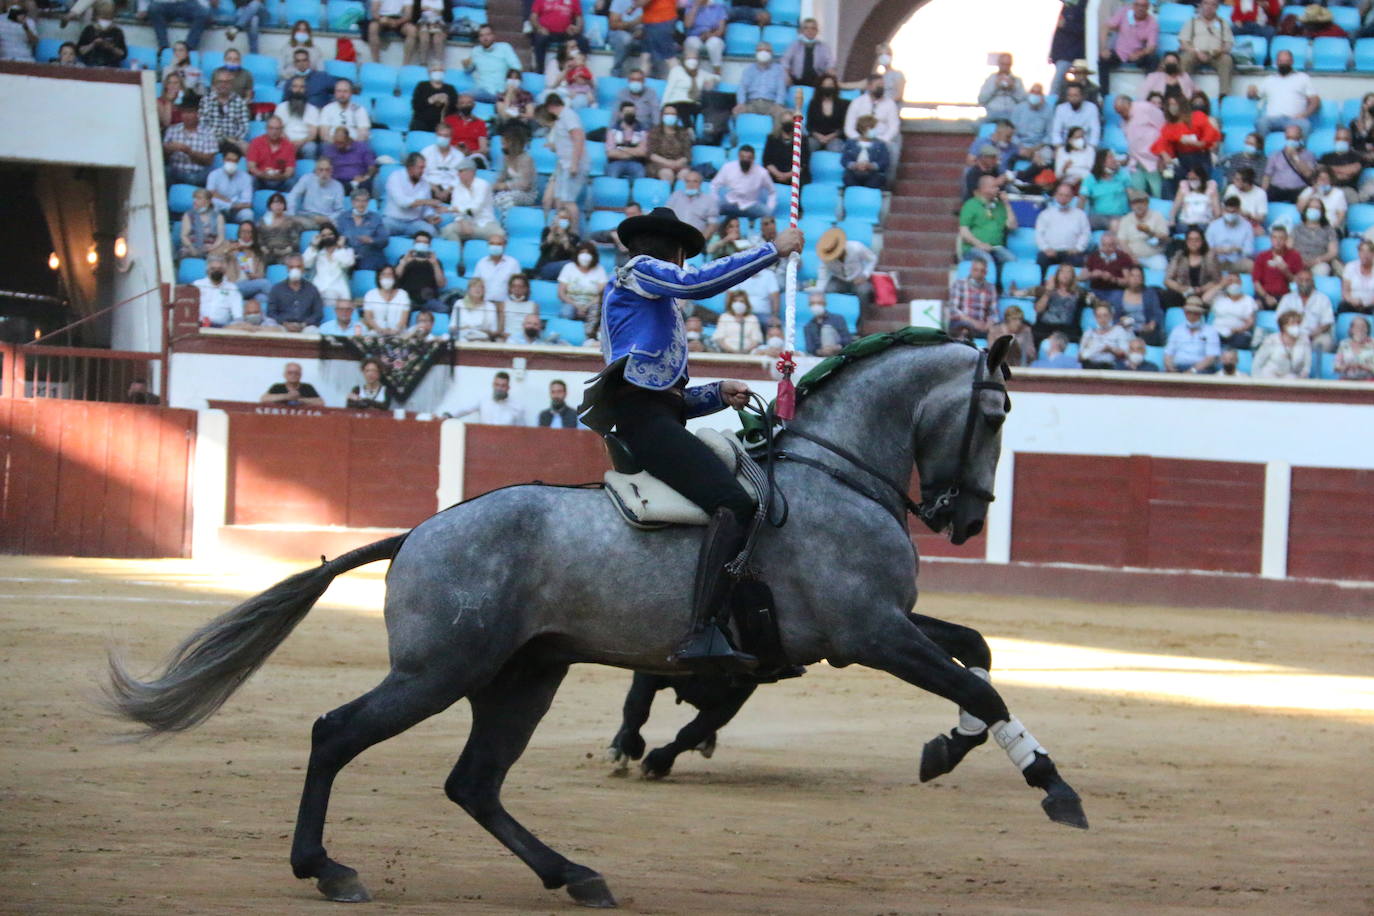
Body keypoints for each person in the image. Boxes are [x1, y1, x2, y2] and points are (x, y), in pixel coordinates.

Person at [575, 205, 804, 670]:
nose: (680, 264)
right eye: (681, 255)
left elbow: (669, 398)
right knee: (735, 503)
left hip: (653, 419)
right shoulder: (638, 273)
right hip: (644, 424)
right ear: (674, 250)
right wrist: (771, 252)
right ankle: (700, 631)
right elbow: (693, 282)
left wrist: (718, 393)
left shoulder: (655, 307)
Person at [958, 175, 1016, 286]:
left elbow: (1012, 226)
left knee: (1011, 260)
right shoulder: (970, 205)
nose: (998, 189)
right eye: (994, 187)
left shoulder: (999, 206)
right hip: (973, 248)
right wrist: (979, 244)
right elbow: (964, 232)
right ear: (984, 189)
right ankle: (987, 290)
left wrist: (1007, 204)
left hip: (995, 247)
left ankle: (1004, 290)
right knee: (987, 261)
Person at [843, 74, 902, 183]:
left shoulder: (890, 104)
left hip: (882, 140)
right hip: (859, 140)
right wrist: (860, 139)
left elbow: (894, 126)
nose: (881, 88)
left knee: (893, 150)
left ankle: (887, 184)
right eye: (878, 85)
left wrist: (882, 140)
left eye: (882, 85)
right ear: (869, 87)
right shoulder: (857, 102)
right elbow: (848, 127)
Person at [1249, 49, 1319, 137]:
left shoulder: (1303, 78)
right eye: (1281, 61)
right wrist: (1251, 90)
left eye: (1286, 61)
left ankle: (1300, 150)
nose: (1283, 64)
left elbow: (1315, 101)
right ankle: (1261, 149)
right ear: (1276, 62)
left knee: (1306, 125)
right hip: (1272, 119)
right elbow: (1255, 95)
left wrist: (1304, 115)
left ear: (1292, 62)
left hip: (1294, 119)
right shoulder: (1269, 80)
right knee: (1261, 123)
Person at [1098, 0, 1160, 95]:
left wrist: (1139, 54)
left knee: (1153, 58)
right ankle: (1103, 95)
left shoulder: (1152, 22)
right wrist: (1103, 48)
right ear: (1133, 6)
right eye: (1137, 5)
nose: (1140, 8)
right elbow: (1105, 27)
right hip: (1119, 53)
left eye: (1143, 6)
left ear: (1147, 8)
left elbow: (1151, 46)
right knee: (1103, 58)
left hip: (1137, 56)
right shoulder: (1124, 12)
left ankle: (1149, 94)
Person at [542, 94, 587, 221]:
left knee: (568, 202)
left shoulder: (568, 115)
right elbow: (567, 143)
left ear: (550, 107)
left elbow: (578, 138)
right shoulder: (561, 119)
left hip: (572, 164)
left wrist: (574, 164)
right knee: (560, 201)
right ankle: (562, 233)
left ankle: (573, 234)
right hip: (563, 164)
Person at [1178, 0, 1234, 96]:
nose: (1209, 7)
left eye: (1213, 5)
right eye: (1206, 3)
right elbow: (1183, 42)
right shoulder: (1192, 22)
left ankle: (1224, 95)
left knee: (1227, 60)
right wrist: (1196, 51)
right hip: (1196, 53)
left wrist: (1221, 50)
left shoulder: (1223, 23)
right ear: (1201, 5)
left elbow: (1228, 44)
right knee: (1185, 59)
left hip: (1216, 54)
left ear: (1217, 8)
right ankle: (1183, 93)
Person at [1031, 263, 1096, 345]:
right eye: (1062, 272)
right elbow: (1038, 309)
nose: (1065, 275)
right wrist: (1048, 292)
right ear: (1057, 275)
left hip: (1067, 330)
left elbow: (1094, 302)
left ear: (1073, 276)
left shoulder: (1080, 292)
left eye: (1068, 272)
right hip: (1045, 328)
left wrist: (1092, 298)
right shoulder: (1045, 289)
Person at [1034, 182, 1091, 276]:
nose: (1063, 198)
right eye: (1060, 195)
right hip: (1050, 252)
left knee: (1080, 260)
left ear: (1072, 197)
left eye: (1067, 195)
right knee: (1041, 259)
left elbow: (1085, 234)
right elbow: (1039, 234)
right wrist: (1046, 248)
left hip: (1071, 252)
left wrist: (1078, 248)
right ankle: (1043, 287)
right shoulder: (1046, 214)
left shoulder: (1080, 214)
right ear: (1055, 195)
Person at [1276, 268, 1336, 353]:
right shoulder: (1287, 298)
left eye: (1307, 280)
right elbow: (1280, 319)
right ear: (1296, 282)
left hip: (1313, 336)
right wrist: (1291, 335)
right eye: (1301, 280)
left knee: (1326, 342)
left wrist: (1310, 336)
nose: (1304, 283)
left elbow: (1327, 323)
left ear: (1312, 282)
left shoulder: (1323, 299)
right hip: (1291, 335)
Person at [384, 153, 444, 236]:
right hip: (393, 221)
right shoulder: (395, 177)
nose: (423, 171)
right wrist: (426, 201)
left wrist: (430, 217)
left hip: (414, 223)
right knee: (380, 229)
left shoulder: (424, 183)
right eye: (421, 168)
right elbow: (402, 202)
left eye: (424, 167)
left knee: (431, 231)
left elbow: (426, 209)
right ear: (410, 167)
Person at [440, 157, 499, 242]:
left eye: (461, 171)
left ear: (471, 172)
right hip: (465, 223)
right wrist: (461, 221)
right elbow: (455, 209)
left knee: (500, 235)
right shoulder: (457, 188)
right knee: (447, 231)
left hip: (485, 223)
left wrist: (452, 210)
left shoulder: (483, 185)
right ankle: (459, 252)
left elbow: (475, 209)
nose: (458, 174)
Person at [1104, 264, 1164, 345]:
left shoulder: (1150, 294)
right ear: (1128, 278)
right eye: (1132, 276)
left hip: (1145, 330)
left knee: (1152, 336)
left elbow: (1157, 312)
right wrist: (1119, 322)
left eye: (1138, 276)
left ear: (1142, 279)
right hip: (1125, 330)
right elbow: (1113, 316)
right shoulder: (1117, 295)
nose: (1135, 279)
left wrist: (1152, 324)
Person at [816, 228, 877, 307]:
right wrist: (819, 291)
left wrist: (865, 275)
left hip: (857, 278)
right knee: (829, 291)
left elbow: (872, 259)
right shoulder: (826, 258)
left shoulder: (856, 247)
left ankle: (863, 318)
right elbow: (823, 275)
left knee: (864, 291)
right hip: (839, 279)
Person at [1165, 227, 1224, 309]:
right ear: (1186, 241)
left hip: (1204, 292)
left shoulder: (1210, 256)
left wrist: (1200, 289)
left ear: (1202, 241)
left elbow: (1217, 280)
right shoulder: (1179, 256)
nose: (1193, 243)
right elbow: (1168, 280)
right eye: (1190, 240)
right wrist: (1181, 288)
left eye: (1197, 240)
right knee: (1167, 295)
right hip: (1184, 292)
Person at [712, 145, 776, 221]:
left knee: (767, 214)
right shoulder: (728, 167)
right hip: (729, 203)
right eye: (743, 157)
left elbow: (772, 191)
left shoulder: (762, 172)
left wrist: (770, 207)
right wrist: (715, 199)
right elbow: (714, 184)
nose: (745, 160)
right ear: (739, 156)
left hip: (751, 205)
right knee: (711, 209)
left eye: (749, 158)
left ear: (754, 158)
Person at [1120, 92, 1165, 197]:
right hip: (1135, 161)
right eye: (1119, 112)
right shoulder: (1123, 119)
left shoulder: (1146, 109)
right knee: (1138, 194)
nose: (1121, 113)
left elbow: (1163, 131)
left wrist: (1162, 156)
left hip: (1153, 159)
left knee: (1157, 192)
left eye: (1123, 110)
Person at [557, 242, 608, 337]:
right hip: (571, 302)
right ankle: (568, 335)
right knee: (566, 312)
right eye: (582, 252)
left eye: (588, 253)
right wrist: (577, 306)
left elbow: (602, 294)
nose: (585, 256)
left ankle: (590, 337)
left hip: (592, 304)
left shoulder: (600, 270)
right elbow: (561, 293)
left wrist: (586, 306)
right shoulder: (568, 268)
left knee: (597, 312)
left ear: (593, 256)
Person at [265, 253, 324, 331]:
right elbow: (271, 312)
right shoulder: (277, 289)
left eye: (298, 267)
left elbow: (318, 313)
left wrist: (304, 324)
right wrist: (284, 323)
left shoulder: (312, 289)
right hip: (283, 325)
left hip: (305, 326)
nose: (295, 270)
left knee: (312, 331)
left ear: (303, 268)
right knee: (273, 329)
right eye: (291, 267)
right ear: (287, 269)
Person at [463, 25, 522, 102]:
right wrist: (466, 65)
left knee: (464, 97)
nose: (485, 38)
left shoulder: (504, 47)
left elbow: (517, 67)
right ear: (478, 38)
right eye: (481, 35)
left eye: (488, 34)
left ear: (493, 36)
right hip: (481, 90)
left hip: (499, 92)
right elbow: (468, 71)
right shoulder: (475, 51)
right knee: (460, 97)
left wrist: (510, 89)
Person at [301, 222, 354, 305]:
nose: (327, 237)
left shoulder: (346, 250)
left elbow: (348, 263)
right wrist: (314, 245)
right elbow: (305, 263)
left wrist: (340, 248)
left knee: (330, 294)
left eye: (330, 234)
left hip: (339, 290)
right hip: (318, 289)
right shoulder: (317, 252)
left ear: (336, 235)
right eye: (324, 235)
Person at [1163, 297, 1221, 373]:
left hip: (1200, 369)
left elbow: (1211, 357)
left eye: (1195, 313)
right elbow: (1168, 353)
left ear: (1201, 314)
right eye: (1189, 312)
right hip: (1178, 367)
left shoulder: (1210, 332)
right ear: (1185, 313)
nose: (1192, 315)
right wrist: (1170, 366)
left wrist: (1193, 370)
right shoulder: (1177, 330)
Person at [1117, 189, 1170, 272]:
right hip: (1132, 256)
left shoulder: (1157, 216)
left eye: (1141, 202)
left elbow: (1165, 239)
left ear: (1147, 203)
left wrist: (1150, 232)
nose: (1139, 206)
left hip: (1153, 255)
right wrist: (1131, 256)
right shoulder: (1126, 219)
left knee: (1163, 267)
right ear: (1131, 205)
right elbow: (1122, 242)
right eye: (1135, 203)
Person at [336, 188, 389, 271]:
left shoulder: (375, 217)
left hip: (370, 256)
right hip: (349, 257)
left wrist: (371, 240)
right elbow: (337, 238)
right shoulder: (342, 218)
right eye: (358, 200)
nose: (361, 204)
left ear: (368, 202)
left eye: (364, 201)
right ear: (352, 202)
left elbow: (384, 240)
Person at [529, 0, 589, 73]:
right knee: (539, 39)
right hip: (547, 32)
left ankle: (582, 70)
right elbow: (533, 16)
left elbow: (579, 17)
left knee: (583, 41)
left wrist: (577, 28)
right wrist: (539, 28)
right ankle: (540, 70)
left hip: (566, 32)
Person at [444, 371, 525, 425]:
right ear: (493, 385)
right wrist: (447, 417)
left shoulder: (517, 407)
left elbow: (521, 430)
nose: (499, 389)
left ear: (508, 388)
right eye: (497, 385)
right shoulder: (483, 400)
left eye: (503, 386)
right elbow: (465, 410)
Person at [163, 105, 217, 186]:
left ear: (198, 114)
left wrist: (189, 151)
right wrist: (169, 150)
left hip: (199, 173)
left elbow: (209, 160)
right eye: (184, 112)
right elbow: (162, 156)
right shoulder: (172, 130)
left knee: (210, 173)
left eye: (190, 112)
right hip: (176, 171)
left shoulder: (208, 132)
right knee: (165, 170)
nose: (186, 116)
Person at [1252, 225, 1304, 309]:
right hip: (1265, 294)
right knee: (1254, 306)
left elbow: (1299, 281)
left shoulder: (1295, 256)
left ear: (1286, 239)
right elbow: (1256, 282)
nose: (1278, 241)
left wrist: (1286, 271)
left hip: (1286, 296)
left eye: (1281, 238)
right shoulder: (1262, 256)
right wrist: (1266, 297)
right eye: (1275, 238)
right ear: (1270, 239)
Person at [199, 70, 251, 153]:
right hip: (210, 140)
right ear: (215, 83)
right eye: (220, 81)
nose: (223, 85)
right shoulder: (206, 100)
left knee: (248, 148)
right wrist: (220, 138)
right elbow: (202, 124)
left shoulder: (240, 102)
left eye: (227, 82)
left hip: (233, 140)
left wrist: (234, 139)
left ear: (232, 84)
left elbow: (244, 127)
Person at [1263, 125, 1317, 205]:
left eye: (1294, 138)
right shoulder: (1275, 155)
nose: (1291, 141)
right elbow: (1267, 176)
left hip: (1298, 190)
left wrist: (1295, 156)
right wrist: (1263, 193)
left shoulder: (1309, 155)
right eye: (1289, 138)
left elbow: (1308, 174)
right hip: (1278, 189)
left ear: (1300, 137)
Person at [946, 258, 998, 340]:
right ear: (971, 270)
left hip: (982, 325)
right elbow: (953, 310)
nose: (978, 273)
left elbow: (994, 313)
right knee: (964, 329)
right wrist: (973, 323)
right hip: (963, 322)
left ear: (985, 273)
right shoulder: (959, 284)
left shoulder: (991, 288)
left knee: (996, 332)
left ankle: (991, 352)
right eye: (976, 270)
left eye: (982, 271)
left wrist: (988, 324)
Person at [492, 125, 537, 218]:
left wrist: (505, 185)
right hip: (511, 191)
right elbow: (502, 176)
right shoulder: (506, 158)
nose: (502, 146)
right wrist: (495, 185)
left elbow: (525, 185)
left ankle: (506, 224)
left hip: (526, 194)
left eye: (504, 144)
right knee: (492, 198)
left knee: (504, 199)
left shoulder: (526, 159)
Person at [735, 41, 789, 119]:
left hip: (771, 103)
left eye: (767, 51)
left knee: (783, 116)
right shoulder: (749, 69)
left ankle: (774, 132)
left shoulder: (779, 69)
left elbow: (781, 90)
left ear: (772, 53)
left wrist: (778, 104)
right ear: (756, 53)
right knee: (736, 112)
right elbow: (742, 88)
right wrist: (741, 103)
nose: (763, 53)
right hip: (752, 103)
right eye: (760, 50)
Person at [662, 52, 717, 128]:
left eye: (694, 58)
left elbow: (716, 77)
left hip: (693, 103)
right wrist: (663, 105)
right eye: (689, 58)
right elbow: (669, 89)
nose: (692, 61)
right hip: (676, 102)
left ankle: (707, 132)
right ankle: (689, 129)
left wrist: (712, 80)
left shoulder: (701, 73)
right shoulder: (677, 71)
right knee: (683, 107)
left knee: (708, 108)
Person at [287, 158, 345, 229]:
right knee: (288, 222)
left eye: (327, 170)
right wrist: (291, 214)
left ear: (331, 171)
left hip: (326, 219)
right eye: (321, 170)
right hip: (307, 216)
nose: (324, 173)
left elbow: (340, 210)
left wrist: (328, 218)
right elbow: (293, 195)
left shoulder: (337, 186)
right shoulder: (307, 179)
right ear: (316, 171)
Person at [1252, 309, 1311, 379]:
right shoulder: (1271, 340)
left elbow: (1307, 365)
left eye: (1298, 323)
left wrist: (1302, 377)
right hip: (1269, 375)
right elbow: (1258, 361)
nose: (1296, 326)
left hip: (1290, 377)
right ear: (1284, 326)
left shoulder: (1304, 340)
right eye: (1292, 323)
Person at [1078, 149, 1129, 229]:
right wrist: (1078, 218)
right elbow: (1082, 199)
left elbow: (1131, 193)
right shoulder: (1090, 179)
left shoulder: (1122, 175)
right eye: (1110, 157)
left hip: (1118, 216)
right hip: (1097, 217)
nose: (1114, 159)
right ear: (1101, 161)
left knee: (1116, 225)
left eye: (1114, 157)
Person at [224, 220, 272, 305]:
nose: (245, 235)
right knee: (265, 283)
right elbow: (217, 259)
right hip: (234, 285)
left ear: (253, 234)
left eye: (249, 232)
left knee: (262, 298)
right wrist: (229, 250)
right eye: (243, 231)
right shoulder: (230, 247)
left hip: (251, 286)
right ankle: (281, 302)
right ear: (239, 233)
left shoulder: (258, 253)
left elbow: (261, 274)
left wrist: (255, 276)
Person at [1291, 198, 1341, 277]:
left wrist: (1316, 261)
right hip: (1299, 262)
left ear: (1322, 211)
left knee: (1323, 270)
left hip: (1319, 263)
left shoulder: (1328, 229)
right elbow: (1289, 247)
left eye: (1317, 208)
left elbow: (1333, 252)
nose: (1314, 210)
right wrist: (1300, 260)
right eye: (1311, 208)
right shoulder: (1297, 228)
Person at [275, 75, 322, 159]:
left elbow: (313, 133)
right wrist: (289, 142)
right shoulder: (281, 107)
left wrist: (301, 142)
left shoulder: (312, 109)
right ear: (290, 89)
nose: (298, 90)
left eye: (301, 87)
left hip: (305, 142)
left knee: (311, 148)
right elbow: (278, 129)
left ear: (306, 90)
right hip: (285, 140)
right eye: (295, 87)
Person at [245, 116, 297, 191]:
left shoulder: (289, 146)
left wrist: (281, 176)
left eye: (277, 129)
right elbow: (251, 167)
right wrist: (262, 174)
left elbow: (290, 171)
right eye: (271, 128)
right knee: (250, 180)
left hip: (280, 179)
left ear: (282, 130)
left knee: (291, 182)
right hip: (261, 179)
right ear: (266, 129)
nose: (274, 131)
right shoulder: (256, 142)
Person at [1206, 197, 1256, 274]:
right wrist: (1218, 250)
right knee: (1208, 259)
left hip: (1236, 260)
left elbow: (1249, 251)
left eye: (1233, 212)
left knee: (1251, 265)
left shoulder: (1246, 226)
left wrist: (1238, 249)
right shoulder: (1213, 225)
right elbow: (1206, 247)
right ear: (1223, 210)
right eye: (1227, 211)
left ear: (1239, 210)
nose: (1230, 214)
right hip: (1218, 260)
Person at [780, 18, 834, 88]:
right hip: (797, 81)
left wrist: (830, 71)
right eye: (806, 28)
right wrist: (786, 75)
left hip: (817, 82)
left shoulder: (823, 47)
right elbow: (785, 61)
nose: (809, 31)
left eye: (813, 28)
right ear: (802, 31)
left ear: (817, 31)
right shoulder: (794, 45)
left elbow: (830, 63)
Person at [648, 103, 695, 184]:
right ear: (662, 116)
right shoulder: (655, 132)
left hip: (680, 164)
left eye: (673, 114)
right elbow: (651, 154)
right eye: (667, 114)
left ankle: (679, 195)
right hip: (660, 164)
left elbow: (687, 155)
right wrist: (668, 163)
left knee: (684, 174)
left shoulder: (683, 132)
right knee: (667, 174)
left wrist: (678, 163)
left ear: (677, 117)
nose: (670, 116)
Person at [665, 170, 720, 238]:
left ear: (700, 183)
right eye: (688, 181)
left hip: (695, 239)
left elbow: (712, 224)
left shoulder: (709, 200)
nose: (691, 184)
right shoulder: (676, 196)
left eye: (695, 181)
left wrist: (700, 241)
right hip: (674, 237)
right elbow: (666, 216)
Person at [194, 255, 245, 327]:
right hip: (199, 325)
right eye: (213, 269)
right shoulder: (197, 285)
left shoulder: (232, 288)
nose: (216, 271)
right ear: (207, 270)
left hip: (221, 327)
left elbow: (237, 314)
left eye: (219, 269)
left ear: (224, 271)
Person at [840, 115, 889, 190]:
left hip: (873, 173)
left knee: (875, 180)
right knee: (848, 178)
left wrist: (871, 166)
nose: (875, 131)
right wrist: (855, 165)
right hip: (854, 172)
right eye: (873, 128)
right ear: (864, 129)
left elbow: (884, 161)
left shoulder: (880, 145)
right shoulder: (850, 143)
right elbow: (844, 160)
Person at [205, 149, 254, 224]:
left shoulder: (246, 177)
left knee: (248, 213)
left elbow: (247, 203)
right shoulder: (214, 175)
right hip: (220, 209)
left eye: (234, 160)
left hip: (237, 211)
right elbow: (210, 195)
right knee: (212, 205)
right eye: (228, 160)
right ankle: (213, 234)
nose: (231, 163)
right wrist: (230, 204)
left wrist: (224, 201)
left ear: (238, 162)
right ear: (223, 159)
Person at [1078, 303, 1133, 369]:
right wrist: (1092, 350)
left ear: (1111, 316)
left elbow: (1125, 354)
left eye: (1105, 315)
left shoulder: (1119, 331)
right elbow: (1080, 357)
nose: (1102, 319)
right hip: (1090, 366)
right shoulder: (1088, 333)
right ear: (1095, 318)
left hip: (1111, 367)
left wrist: (1110, 349)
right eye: (1099, 316)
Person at [443, 93, 491, 167]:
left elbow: (484, 149)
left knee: (478, 159)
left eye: (469, 103)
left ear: (474, 105)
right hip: (453, 153)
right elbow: (444, 142)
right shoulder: (449, 120)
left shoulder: (480, 123)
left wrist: (469, 152)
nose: (465, 106)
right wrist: (457, 149)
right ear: (457, 106)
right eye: (462, 103)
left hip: (473, 155)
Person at [1211, 275, 1259, 349]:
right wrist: (1221, 285)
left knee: (1242, 341)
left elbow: (1250, 322)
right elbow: (1204, 299)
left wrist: (1236, 330)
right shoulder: (1219, 297)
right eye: (1230, 281)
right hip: (1217, 331)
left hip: (1237, 333)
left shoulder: (1248, 300)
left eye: (1236, 281)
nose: (1233, 283)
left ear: (1240, 283)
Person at [1049, 83, 1101, 151]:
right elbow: (1056, 131)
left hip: (1086, 145)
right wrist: (1059, 148)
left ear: (1082, 96)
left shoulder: (1091, 108)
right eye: (1070, 95)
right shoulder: (1060, 109)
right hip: (1065, 146)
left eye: (1076, 95)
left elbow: (1095, 130)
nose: (1073, 98)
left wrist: (1091, 147)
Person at [472, 230, 520, 305]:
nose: (495, 246)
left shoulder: (513, 263)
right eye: (492, 244)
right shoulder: (481, 263)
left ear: (504, 245)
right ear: (488, 245)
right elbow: (474, 284)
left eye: (499, 244)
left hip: (505, 305)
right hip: (485, 305)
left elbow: (518, 286)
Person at [605, 102, 650, 180]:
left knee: (640, 174)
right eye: (627, 112)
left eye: (632, 112)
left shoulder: (643, 130)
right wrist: (635, 152)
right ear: (621, 114)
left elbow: (643, 153)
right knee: (612, 175)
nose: (630, 114)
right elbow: (611, 153)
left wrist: (622, 149)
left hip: (636, 163)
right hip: (616, 162)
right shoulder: (612, 130)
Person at [1296, 167, 1348, 233]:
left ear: (1331, 180)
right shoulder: (1308, 190)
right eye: (1320, 178)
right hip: (1309, 227)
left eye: (1326, 178)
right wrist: (1312, 191)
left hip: (1329, 227)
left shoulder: (1338, 193)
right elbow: (1299, 208)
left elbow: (1341, 215)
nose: (1323, 181)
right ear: (1316, 179)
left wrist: (1332, 228)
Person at [147, 0, 211, 53]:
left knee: (203, 13)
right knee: (153, 8)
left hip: (188, 4)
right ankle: (164, 47)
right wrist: (142, 9)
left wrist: (206, 8)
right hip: (164, 3)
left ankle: (188, 48)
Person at [367, 0, 418, 67]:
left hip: (400, 19)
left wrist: (396, 22)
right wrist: (383, 20)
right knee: (373, 27)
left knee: (412, 30)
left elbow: (408, 15)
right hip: (382, 18)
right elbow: (374, 12)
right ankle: (376, 63)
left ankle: (406, 65)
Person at [806, 74, 849, 153]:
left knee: (836, 148)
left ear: (835, 87)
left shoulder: (843, 104)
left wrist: (830, 137)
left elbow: (844, 127)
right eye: (824, 85)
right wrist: (818, 136)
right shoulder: (813, 104)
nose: (827, 87)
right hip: (816, 137)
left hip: (835, 137)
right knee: (808, 146)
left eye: (830, 85)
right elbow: (809, 125)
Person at [536, 204, 580, 280]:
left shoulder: (574, 237)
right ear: (556, 218)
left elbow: (573, 255)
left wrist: (564, 237)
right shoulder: (547, 231)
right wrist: (552, 235)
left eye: (566, 219)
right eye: (560, 218)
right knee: (569, 264)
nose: (563, 221)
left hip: (564, 269)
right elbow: (542, 249)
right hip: (545, 267)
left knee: (572, 264)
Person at [977, 53, 1025, 124]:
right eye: (1003, 64)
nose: (1005, 67)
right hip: (993, 115)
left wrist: (1013, 88)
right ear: (999, 64)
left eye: (1007, 64)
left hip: (1012, 117)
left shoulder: (1017, 80)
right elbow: (981, 100)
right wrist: (995, 87)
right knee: (977, 125)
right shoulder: (991, 79)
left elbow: (1023, 101)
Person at [179, 188, 225, 259]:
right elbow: (183, 236)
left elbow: (221, 238)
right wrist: (192, 248)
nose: (195, 201)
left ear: (208, 201)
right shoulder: (188, 215)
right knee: (185, 253)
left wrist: (212, 248)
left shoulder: (218, 216)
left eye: (199, 198)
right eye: (194, 198)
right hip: (192, 246)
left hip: (211, 248)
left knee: (218, 257)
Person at [257, 192, 302, 265]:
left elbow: (295, 240)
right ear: (270, 205)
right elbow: (259, 238)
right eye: (275, 203)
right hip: (267, 253)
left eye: (281, 203)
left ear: (284, 206)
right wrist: (262, 247)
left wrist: (286, 250)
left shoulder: (290, 221)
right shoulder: (263, 221)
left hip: (286, 253)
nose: (278, 205)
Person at [76, 2, 126, 68]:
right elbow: (79, 51)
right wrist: (93, 45)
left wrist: (110, 47)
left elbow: (123, 54)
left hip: (110, 67)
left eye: (109, 16)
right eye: (103, 16)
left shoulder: (117, 32)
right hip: (90, 66)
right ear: (96, 16)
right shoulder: (89, 30)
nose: (106, 19)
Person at [801, 290, 851, 356]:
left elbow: (847, 340)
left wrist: (835, 348)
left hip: (839, 353)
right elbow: (810, 349)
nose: (816, 306)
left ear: (825, 304)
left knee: (826, 329)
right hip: (821, 357)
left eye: (819, 303)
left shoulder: (838, 319)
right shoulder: (808, 326)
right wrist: (822, 351)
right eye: (812, 303)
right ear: (809, 305)